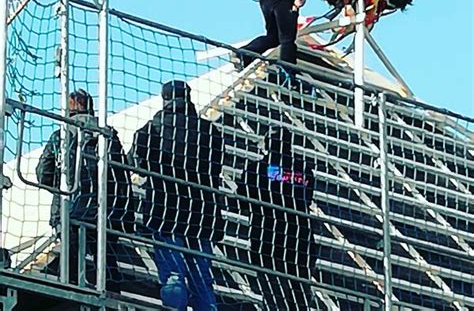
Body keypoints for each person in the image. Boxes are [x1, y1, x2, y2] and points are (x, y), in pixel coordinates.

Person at [130, 80, 224, 311]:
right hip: (202, 213)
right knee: (202, 278)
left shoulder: (152, 128)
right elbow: (216, 167)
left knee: (173, 274)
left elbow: (135, 162)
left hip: (165, 210)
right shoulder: (209, 131)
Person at [36, 89, 134, 292]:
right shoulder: (107, 135)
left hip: (70, 206)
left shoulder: (61, 135)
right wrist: (126, 214)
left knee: (71, 260)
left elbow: (42, 171)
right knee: (106, 260)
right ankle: (112, 296)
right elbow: (122, 175)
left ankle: (71, 291)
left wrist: (60, 186)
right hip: (104, 209)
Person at [237, 126, 316, 310]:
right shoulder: (304, 171)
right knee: (299, 296)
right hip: (300, 241)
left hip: (268, 239)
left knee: (274, 296)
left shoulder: (256, 170)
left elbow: (241, 200)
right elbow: (307, 198)